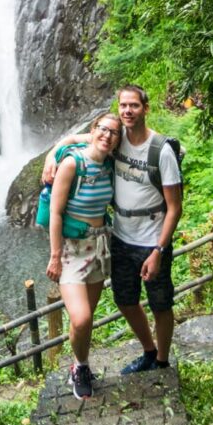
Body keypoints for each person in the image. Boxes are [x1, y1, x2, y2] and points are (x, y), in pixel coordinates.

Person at [43, 84, 183, 374]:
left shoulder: (161, 150)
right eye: (123, 106)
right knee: (125, 300)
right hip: (119, 237)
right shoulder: (115, 142)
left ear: (146, 108)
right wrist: (52, 153)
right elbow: (82, 138)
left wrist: (159, 249)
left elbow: (175, 207)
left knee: (160, 303)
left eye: (134, 105)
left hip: (152, 240)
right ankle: (148, 351)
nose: (128, 110)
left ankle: (162, 361)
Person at [45, 112, 122, 400]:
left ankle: (81, 365)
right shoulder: (71, 164)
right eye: (102, 129)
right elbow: (55, 212)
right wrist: (54, 255)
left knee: (86, 321)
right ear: (94, 130)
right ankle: (79, 366)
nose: (107, 135)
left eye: (114, 132)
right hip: (71, 251)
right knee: (80, 317)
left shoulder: (110, 163)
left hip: (100, 248)